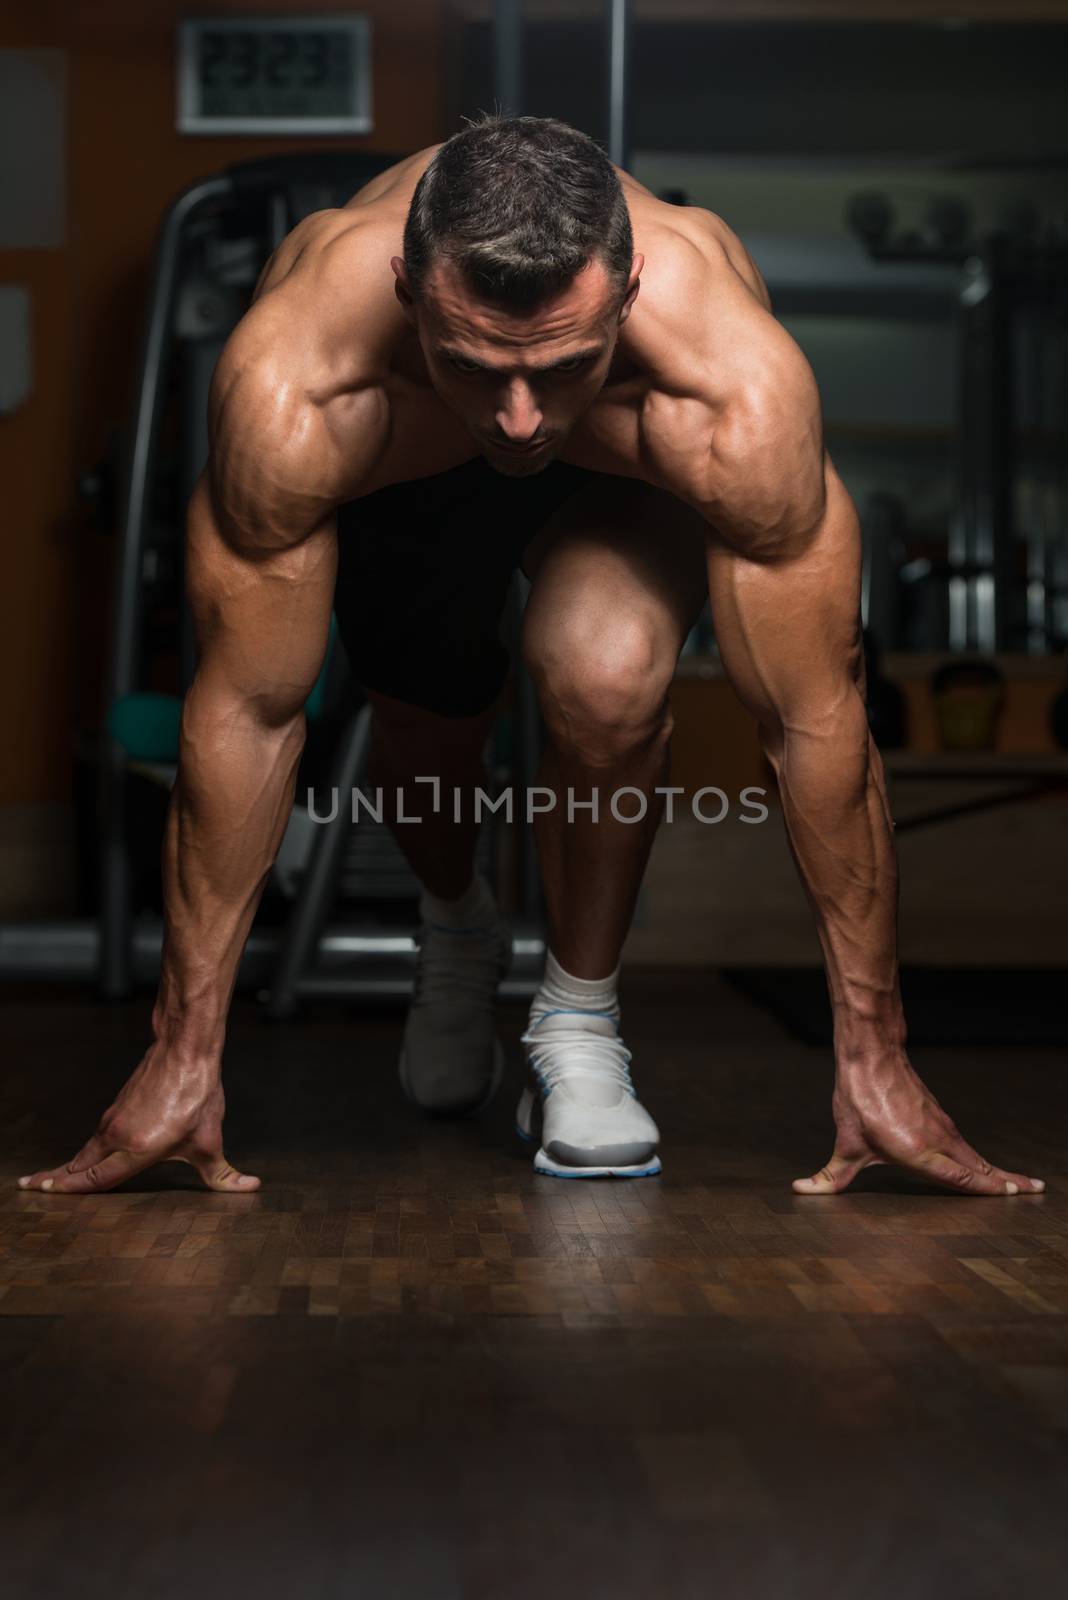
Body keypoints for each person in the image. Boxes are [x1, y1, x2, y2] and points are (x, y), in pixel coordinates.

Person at [19, 117, 1043, 1197]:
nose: (516, 421)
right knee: (424, 723)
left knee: (604, 677)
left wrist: (876, 1055)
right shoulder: (301, 381)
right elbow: (249, 710)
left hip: (624, 475)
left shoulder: (729, 387)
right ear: (407, 285)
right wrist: (182, 1053)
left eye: (559, 368)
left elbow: (816, 716)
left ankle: (578, 1020)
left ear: (631, 286)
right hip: (403, 472)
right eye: (476, 367)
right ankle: (455, 926)